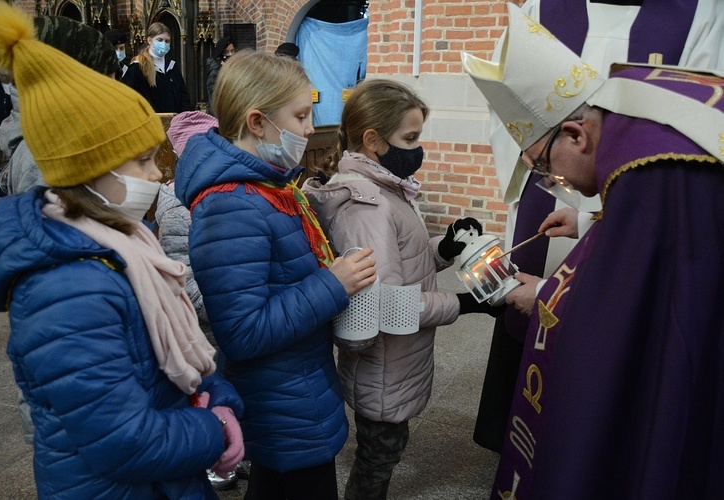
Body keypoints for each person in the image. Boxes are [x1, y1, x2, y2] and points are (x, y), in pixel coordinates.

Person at [0, 2, 245, 498]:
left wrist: (219, 396)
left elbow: (168, 366)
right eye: (141, 160)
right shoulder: (68, 288)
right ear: (86, 171)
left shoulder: (122, 244)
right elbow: (121, 440)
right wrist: (215, 430)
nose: (159, 174)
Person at [463, 3, 724, 497]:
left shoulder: (649, 171)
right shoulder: (648, 120)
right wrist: (587, 218)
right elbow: (656, 238)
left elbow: (626, 317)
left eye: (544, 167)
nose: (552, 182)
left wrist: (541, 297)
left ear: (576, 133)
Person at [174, 50, 378, 500]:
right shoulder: (231, 205)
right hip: (282, 397)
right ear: (257, 122)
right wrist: (333, 284)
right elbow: (242, 332)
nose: (309, 128)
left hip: (295, 387)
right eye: (301, 115)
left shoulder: (270, 186)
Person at [302, 78, 504, 500]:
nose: (417, 148)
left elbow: (403, 263)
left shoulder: (385, 191)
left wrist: (443, 248)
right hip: (384, 364)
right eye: (409, 138)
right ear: (373, 141)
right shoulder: (368, 208)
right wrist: (467, 303)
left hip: (394, 362)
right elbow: (389, 304)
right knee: (379, 458)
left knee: (384, 450)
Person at [156, 110, 244, 491]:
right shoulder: (178, 207)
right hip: (208, 325)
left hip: (231, 317)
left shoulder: (225, 189)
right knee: (213, 391)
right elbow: (182, 278)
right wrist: (232, 303)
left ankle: (240, 448)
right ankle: (217, 461)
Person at [0, 15, 121, 199]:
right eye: (106, 78)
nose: (116, 89)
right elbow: (59, 226)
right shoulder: (46, 161)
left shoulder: (63, 138)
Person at [122, 22, 192, 113]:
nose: (164, 44)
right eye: (159, 40)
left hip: (176, 123)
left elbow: (183, 96)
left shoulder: (172, 66)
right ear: (150, 40)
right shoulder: (137, 68)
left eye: (167, 41)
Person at [205, 37, 235, 110]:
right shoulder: (215, 72)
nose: (230, 55)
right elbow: (214, 97)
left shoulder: (232, 69)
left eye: (232, 51)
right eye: (226, 52)